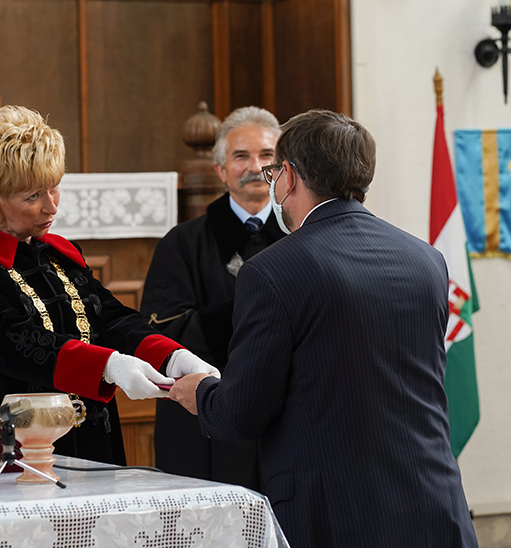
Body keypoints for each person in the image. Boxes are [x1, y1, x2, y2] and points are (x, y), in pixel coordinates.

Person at [170, 109, 478, 547]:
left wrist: (200, 392)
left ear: (290, 177)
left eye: (274, 171)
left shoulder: (272, 270)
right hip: (433, 500)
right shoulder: (426, 259)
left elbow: (242, 414)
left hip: (337, 514)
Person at [0, 105, 218, 465]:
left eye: (55, 189)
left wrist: (170, 356)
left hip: (93, 439)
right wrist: (108, 365)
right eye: (33, 197)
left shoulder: (59, 253)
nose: (51, 208)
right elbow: (8, 339)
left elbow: (108, 317)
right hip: (11, 449)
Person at [140, 106, 285, 490]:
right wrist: (264, 316)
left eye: (267, 155)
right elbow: (165, 332)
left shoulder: (302, 237)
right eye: (241, 156)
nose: (256, 167)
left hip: (285, 415)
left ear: (283, 167)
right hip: (209, 416)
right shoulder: (181, 244)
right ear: (221, 170)